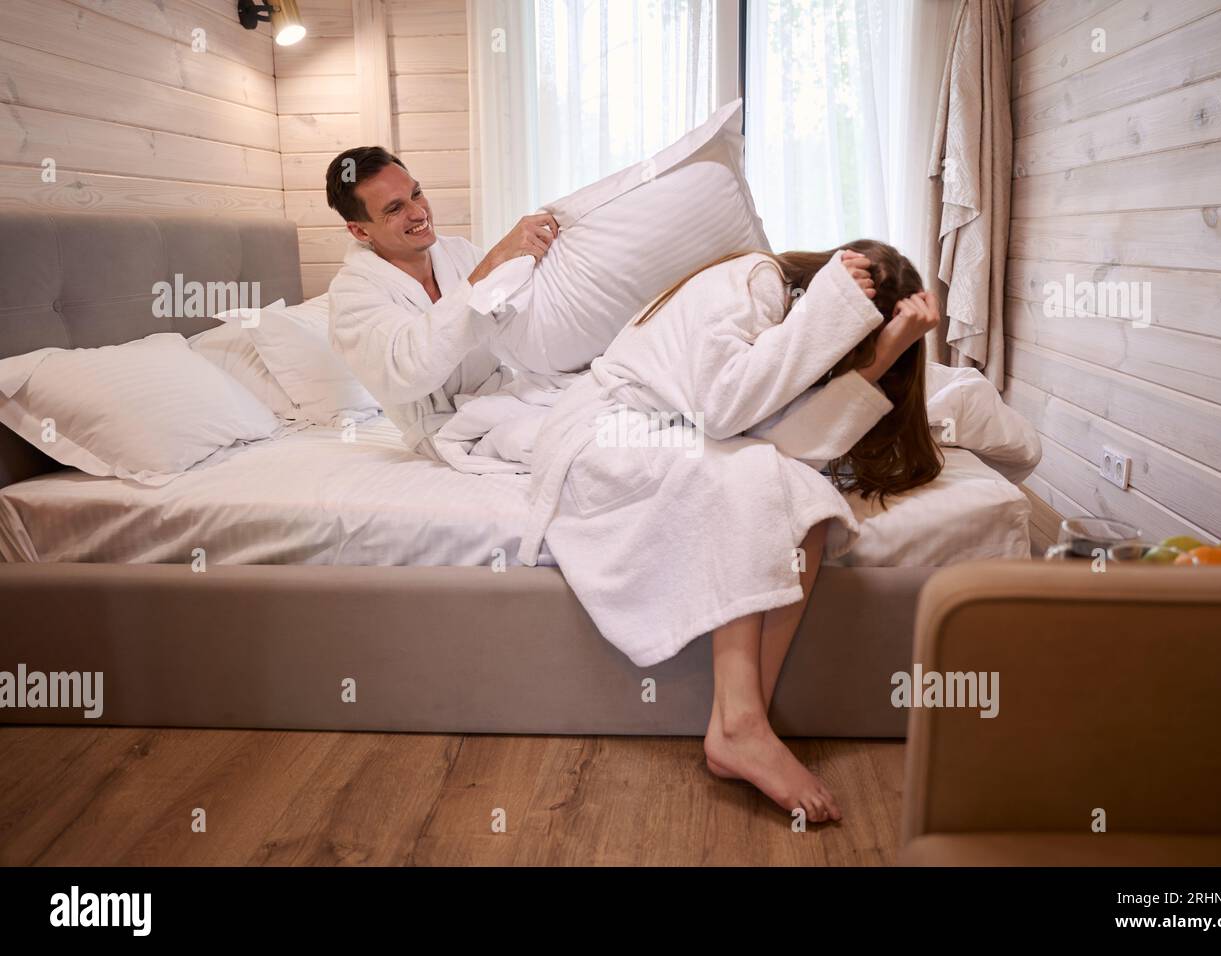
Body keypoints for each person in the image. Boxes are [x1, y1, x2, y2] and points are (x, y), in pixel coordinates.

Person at [517, 240, 943, 822]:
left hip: (667, 434)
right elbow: (724, 411)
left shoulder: (791, 317)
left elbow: (792, 448)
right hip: (605, 435)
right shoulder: (754, 283)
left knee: (809, 502)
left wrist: (887, 350)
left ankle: (742, 726)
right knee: (747, 476)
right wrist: (831, 311)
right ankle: (741, 726)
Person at [323, 145, 559, 459]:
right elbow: (410, 371)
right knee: (576, 450)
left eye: (416, 193)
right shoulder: (352, 294)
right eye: (395, 209)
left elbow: (523, 317)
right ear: (360, 230)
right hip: (447, 431)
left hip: (509, 398)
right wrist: (494, 261)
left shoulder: (458, 253)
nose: (419, 213)